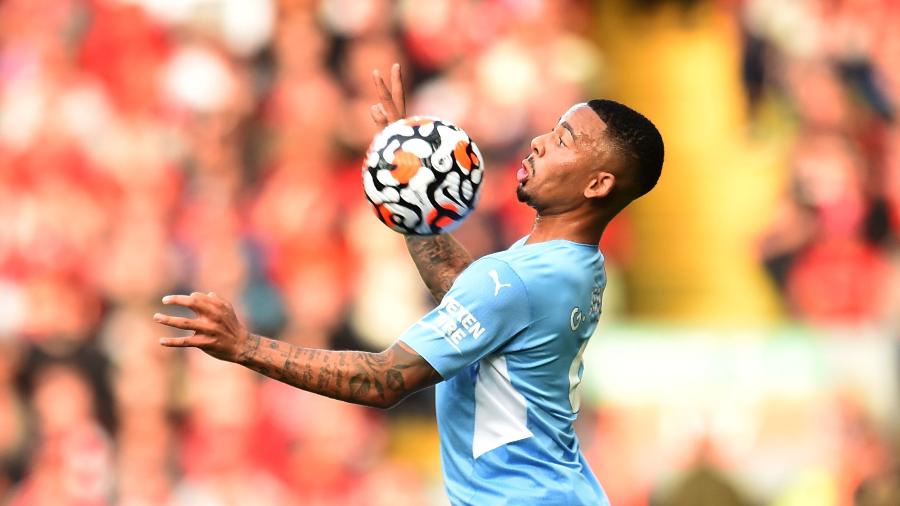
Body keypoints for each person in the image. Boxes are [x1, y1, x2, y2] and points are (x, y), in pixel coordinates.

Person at [154, 63, 664, 505]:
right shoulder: (575, 265)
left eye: (563, 140)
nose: (539, 141)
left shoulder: (521, 279)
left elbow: (384, 379)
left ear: (598, 184)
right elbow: (471, 293)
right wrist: (411, 176)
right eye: (552, 129)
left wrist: (245, 347)